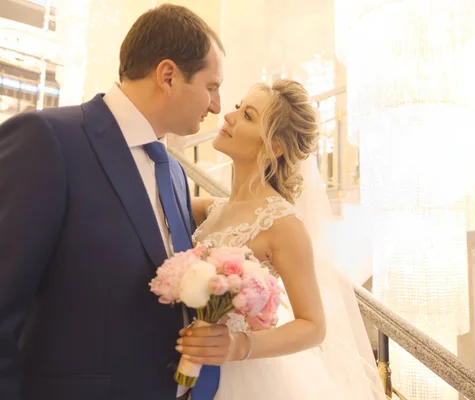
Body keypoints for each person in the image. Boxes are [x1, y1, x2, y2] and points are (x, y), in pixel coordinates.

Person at [0, 5, 231, 399]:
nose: (217, 106)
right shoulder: (49, 140)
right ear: (168, 76)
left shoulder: (173, 173)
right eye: (211, 86)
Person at [183, 79, 386, 399]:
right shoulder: (212, 209)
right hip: (192, 366)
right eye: (238, 107)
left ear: (275, 146)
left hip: (240, 377)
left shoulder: (283, 224)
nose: (229, 117)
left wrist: (238, 345)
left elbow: (313, 326)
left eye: (248, 116)